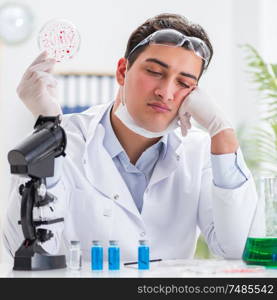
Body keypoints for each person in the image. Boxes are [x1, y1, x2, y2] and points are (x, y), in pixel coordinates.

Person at [3, 13, 264, 263]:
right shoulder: (63, 141)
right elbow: (24, 248)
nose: (166, 92)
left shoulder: (199, 152)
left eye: (184, 84)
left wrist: (223, 131)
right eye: (154, 71)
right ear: (122, 72)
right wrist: (48, 128)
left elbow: (237, 247)